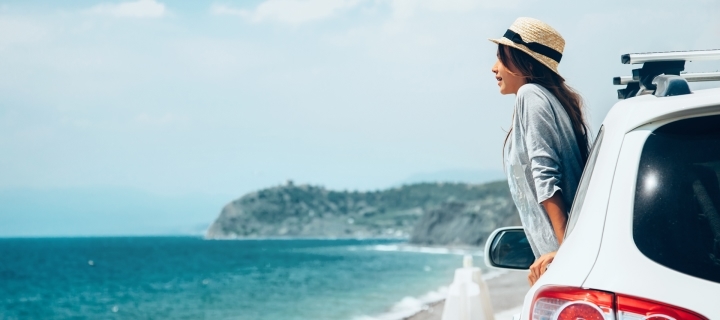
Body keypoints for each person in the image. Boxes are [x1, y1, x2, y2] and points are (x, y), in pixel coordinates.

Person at [489, 17, 591, 286]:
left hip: (564, 261)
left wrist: (566, 253)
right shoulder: (555, 101)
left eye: (502, 58)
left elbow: (545, 177)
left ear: (526, 63)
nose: (493, 68)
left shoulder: (530, 95)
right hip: (565, 256)